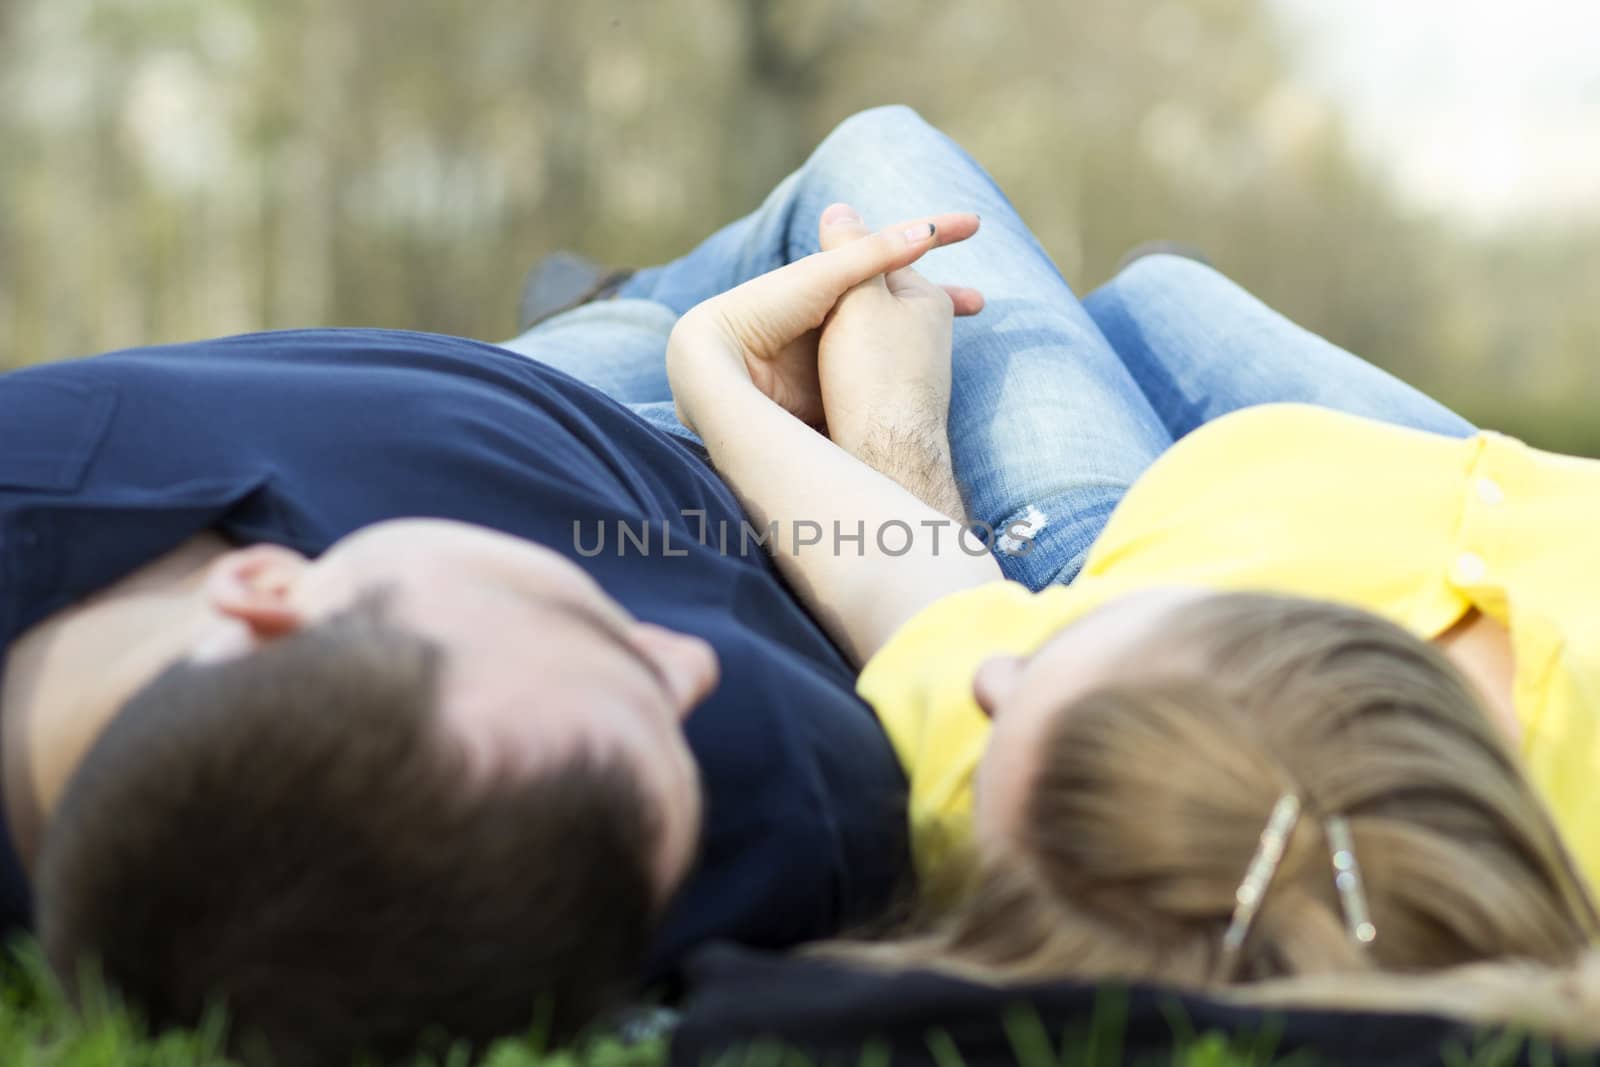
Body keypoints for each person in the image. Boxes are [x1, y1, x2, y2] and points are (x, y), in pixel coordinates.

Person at [634, 106, 1599, 999]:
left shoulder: (1068, 814)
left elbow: (916, 581)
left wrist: (719, 368)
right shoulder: (1129, 783)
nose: (991, 678)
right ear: (1310, 627)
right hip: (1431, 474)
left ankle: (623, 315)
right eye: (1046, 649)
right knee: (1154, 298)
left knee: (878, 162)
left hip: (1132, 511)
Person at [0, 204, 994, 1062]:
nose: (683, 659)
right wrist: (882, 449)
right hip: (823, 507)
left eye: (585, 623)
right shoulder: (727, 789)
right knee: (957, 205)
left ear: (262, 586)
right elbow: (957, 654)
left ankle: (626, 300)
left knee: (729, 269)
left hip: (562, 381)